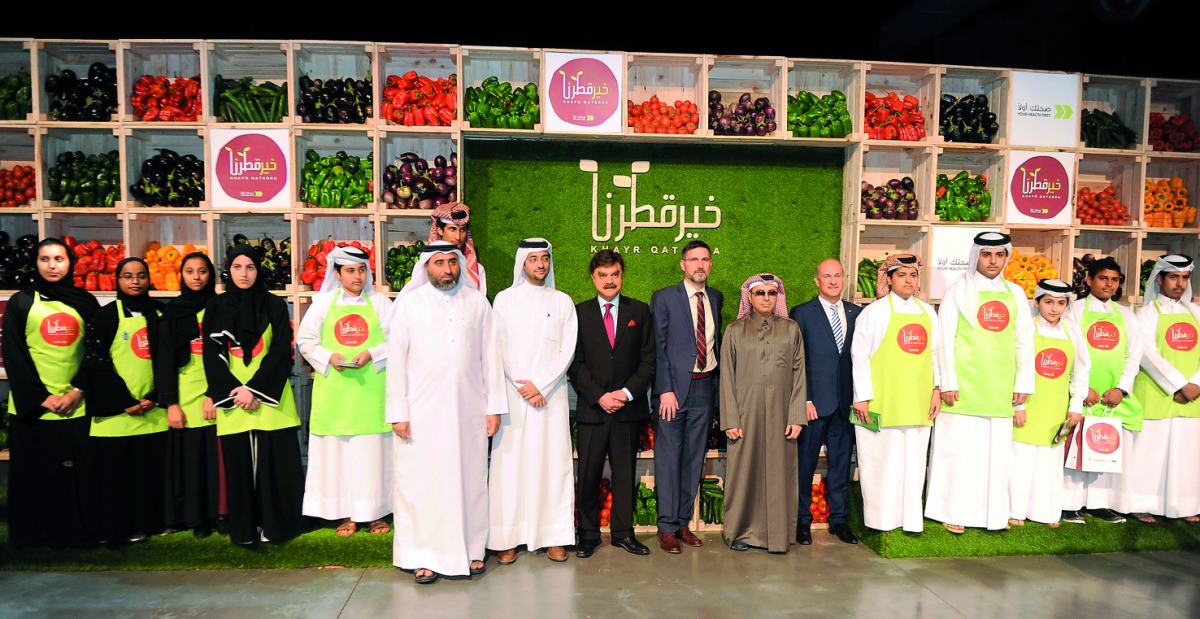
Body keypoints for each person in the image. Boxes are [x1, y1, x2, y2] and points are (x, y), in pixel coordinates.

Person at [386, 241, 507, 585]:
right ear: (426, 267)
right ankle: (423, 557)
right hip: (421, 414)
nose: (447, 270)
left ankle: (471, 551)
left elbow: (490, 358)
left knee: (468, 482)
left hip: (469, 411)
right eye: (439, 263)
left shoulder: (477, 303)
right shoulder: (409, 305)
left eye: (452, 262)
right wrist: (399, 411)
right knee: (422, 484)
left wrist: (494, 407)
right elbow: (396, 362)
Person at [927, 231, 1034, 534]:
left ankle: (991, 515)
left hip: (1000, 387)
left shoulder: (1015, 293)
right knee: (959, 453)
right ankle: (952, 510)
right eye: (987, 255)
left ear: (1006, 258)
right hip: (963, 386)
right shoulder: (957, 291)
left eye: (999, 255)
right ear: (977, 256)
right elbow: (944, 339)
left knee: (995, 457)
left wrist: (1023, 383)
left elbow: (1024, 341)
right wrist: (946, 381)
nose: (993, 261)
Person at [203, 244, 308, 546]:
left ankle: (276, 527)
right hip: (233, 397)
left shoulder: (274, 306)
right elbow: (211, 354)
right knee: (239, 468)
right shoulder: (216, 306)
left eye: (250, 267)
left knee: (274, 465)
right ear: (228, 270)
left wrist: (255, 390)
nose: (244, 273)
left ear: (258, 270)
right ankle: (245, 529)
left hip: (269, 397)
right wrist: (235, 391)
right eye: (237, 267)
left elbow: (281, 352)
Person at [2, 238, 100, 549]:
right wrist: (41, 397)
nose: (52, 265)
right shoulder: (21, 302)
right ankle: (34, 535)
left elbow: (95, 354)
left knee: (76, 475)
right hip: (33, 408)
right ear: (36, 264)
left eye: (59, 258)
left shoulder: (85, 302)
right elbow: (14, 354)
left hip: (76, 405)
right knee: (35, 475)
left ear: (70, 263)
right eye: (45, 259)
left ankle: (77, 534)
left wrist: (76, 392)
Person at [488, 238, 578, 565]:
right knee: (510, 467)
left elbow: (567, 349)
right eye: (534, 259)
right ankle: (508, 537)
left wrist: (540, 384)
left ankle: (553, 536)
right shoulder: (504, 300)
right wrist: (523, 384)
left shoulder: (563, 301)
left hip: (550, 398)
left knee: (552, 465)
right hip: (514, 397)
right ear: (522, 264)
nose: (541, 265)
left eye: (545, 259)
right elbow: (499, 346)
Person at [297, 246, 393, 538]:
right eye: (350, 271)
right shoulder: (323, 304)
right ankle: (348, 515)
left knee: (373, 457)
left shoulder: (381, 303)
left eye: (362, 270)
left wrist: (372, 353)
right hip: (336, 396)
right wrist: (329, 358)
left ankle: (375, 514)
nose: (357, 276)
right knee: (340, 459)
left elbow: (398, 339)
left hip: (371, 396)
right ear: (337, 274)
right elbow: (305, 340)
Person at [568, 249, 656, 559]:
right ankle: (588, 534)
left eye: (614, 274)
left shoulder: (640, 311)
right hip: (593, 410)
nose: (609, 281)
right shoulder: (578, 313)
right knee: (589, 474)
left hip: (627, 410)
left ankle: (622, 533)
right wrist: (600, 396)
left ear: (622, 276)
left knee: (624, 472)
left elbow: (648, 361)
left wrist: (626, 394)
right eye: (602, 275)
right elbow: (575, 363)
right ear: (593, 278)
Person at [77, 257, 169, 544]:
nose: (135, 281)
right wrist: (124, 401)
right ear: (118, 280)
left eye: (141, 276)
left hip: (153, 413)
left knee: (150, 476)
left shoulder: (162, 314)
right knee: (116, 477)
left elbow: (170, 360)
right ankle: (118, 528)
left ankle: (151, 524)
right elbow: (96, 362)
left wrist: (154, 398)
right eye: (128, 276)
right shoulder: (104, 317)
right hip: (116, 415)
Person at [850, 254, 940, 533]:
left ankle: (911, 520)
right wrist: (862, 397)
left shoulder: (928, 312)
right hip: (881, 403)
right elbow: (859, 355)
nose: (908, 280)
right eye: (901, 275)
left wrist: (936, 389)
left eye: (912, 275)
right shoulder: (873, 313)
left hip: (917, 403)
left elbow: (936, 354)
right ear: (888, 280)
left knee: (914, 465)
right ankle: (880, 520)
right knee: (880, 462)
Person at [720, 273, 806, 553]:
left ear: (777, 297)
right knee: (744, 471)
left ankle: (778, 535)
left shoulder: (791, 329)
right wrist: (731, 418)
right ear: (749, 297)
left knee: (781, 472)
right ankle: (741, 532)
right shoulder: (734, 330)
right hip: (745, 413)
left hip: (782, 415)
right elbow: (726, 378)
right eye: (760, 293)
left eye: (771, 293)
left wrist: (796, 416)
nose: (766, 298)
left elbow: (799, 375)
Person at [649, 240, 723, 554]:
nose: (700, 265)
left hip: (705, 387)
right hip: (673, 391)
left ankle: (682, 522)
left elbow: (716, 344)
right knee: (668, 458)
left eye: (705, 259)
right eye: (693, 259)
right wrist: (665, 389)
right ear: (683, 264)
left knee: (694, 459)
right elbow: (658, 347)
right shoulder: (665, 298)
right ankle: (666, 527)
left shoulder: (716, 298)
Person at [1061, 257, 1141, 525]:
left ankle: (1098, 503)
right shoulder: (1073, 310)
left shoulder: (1127, 315)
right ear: (1089, 281)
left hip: (1111, 397)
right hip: (1082, 392)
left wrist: (1121, 389)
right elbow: (1068, 349)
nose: (1109, 284)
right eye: (1103, 278)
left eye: (1115, 280)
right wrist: (1082, 388)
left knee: (1103, 446)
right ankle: (1068, 504)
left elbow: (1133, 356)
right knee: (1073, 447)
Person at [1122, 254, 1200, 525]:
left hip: (1192, 397)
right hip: (1157, 393)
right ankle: (1141, 505)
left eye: (1185, 278)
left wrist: (1195, 384)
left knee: (1187, 454)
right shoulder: (1146, 313)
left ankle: (1184, 506)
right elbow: (1147, 353)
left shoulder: (1196, 312)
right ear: (1160, 279)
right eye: (1174, 277)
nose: (1180, 284)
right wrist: (1178, 384)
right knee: (1149, 454)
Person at [789, 258, 861, 545]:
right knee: (805, 464)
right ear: (816, 281)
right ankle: (802, 521)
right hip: (814, 404)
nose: (833, 281)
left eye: (838, 276)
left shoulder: (858, 313)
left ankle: (839, 520)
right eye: (826, 276)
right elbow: (797, 362)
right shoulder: (802, 313)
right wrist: (803, 399)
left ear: (844, 278)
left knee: (841, 465)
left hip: (846, 404)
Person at [1009, 279, 1090, 528]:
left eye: (1061, 303)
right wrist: (1017, 406)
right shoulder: (1024, 329)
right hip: (1028, 404)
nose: (1054, 308)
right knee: (1020, 461)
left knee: (1049, 463)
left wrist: (1076, 406)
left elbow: (1081, 370)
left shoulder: (1072, 331)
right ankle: (1015, 511)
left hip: (1056, 406)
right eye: (1049, 302)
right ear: (1037, 303)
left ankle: (1045, 512)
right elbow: (1014, 368)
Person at [158, 251, 225, 538]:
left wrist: (214, 393)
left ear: (211, 275)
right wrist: (171, 403)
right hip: (184, 394)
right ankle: (193, 517)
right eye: (190, 271)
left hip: (216, 394)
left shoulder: (221, 307)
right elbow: (164, 360)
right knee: (189, 461)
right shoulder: (172, 312)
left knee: (216, 461)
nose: (196, 277)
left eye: (202, 271)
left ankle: (218, 515)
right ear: (181, 275)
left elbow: (228, 355)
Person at [428, 202, 487, 295]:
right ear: (439, 230)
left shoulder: (478, 270)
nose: (458, 237)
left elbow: (480, 305)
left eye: (462, 230)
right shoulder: (425, 268)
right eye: (452, 229)